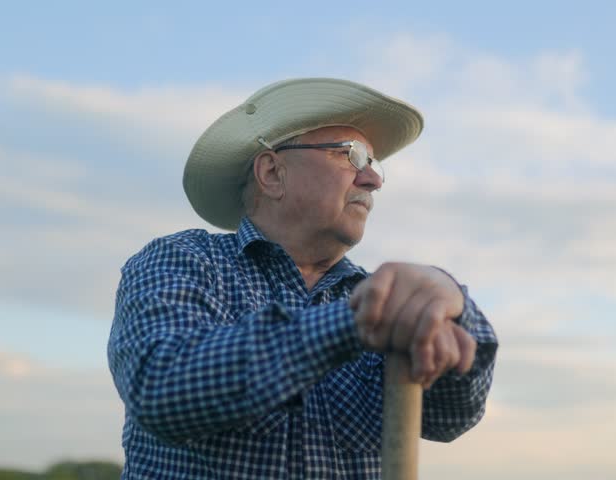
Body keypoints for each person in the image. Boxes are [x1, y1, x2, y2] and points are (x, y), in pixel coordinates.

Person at [108, 78, 498, 479]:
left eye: (372, 163)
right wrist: (358, 321)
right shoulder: (183, 260)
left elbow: (449, 416)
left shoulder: (380, 296)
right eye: (351, 155)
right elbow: (160, 388)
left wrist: (453, 303)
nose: (373, 180)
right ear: (273, 172)